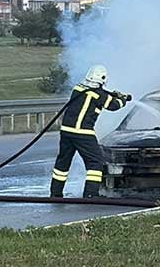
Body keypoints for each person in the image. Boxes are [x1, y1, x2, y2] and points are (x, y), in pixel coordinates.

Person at [50, 65, 131, 198]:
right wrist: (123, 99)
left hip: (66, 131)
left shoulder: (78, 88)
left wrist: (112, 94)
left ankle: (55, 193)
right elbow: (114, 105)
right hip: (82, 133)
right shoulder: (98, 95)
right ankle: (91, 194)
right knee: (96, 162)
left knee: (63, 162)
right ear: (103, 79)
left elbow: (99, 94)